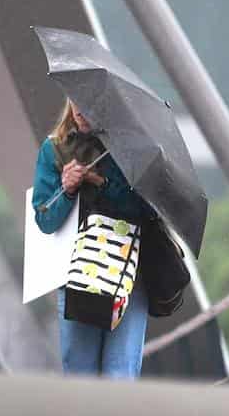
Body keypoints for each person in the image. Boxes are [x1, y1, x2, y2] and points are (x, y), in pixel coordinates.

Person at [32, 99, 155, 378]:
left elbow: (146, 211)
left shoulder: (130, 149)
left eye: (89, 101)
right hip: (77, 275)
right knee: (80, 373)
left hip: (127, 274)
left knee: (120, 373)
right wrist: (67, 189)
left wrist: (102, 182)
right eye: (75, 98)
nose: (80, 108)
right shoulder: (55, 149)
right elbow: (45, 219)